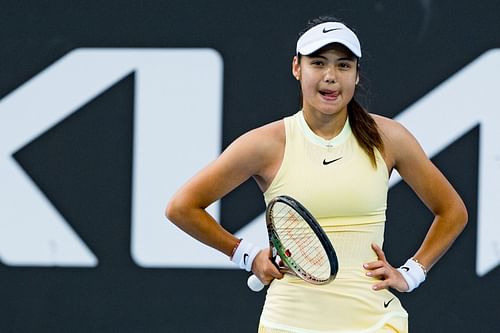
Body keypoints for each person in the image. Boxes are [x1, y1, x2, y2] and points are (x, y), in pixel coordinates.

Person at [166, 16, 468, 333]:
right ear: (297, 68)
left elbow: (452, 211)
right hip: (288, 322)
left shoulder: (390, 138)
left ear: (356, 74)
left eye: (343, 65)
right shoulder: (266, 144)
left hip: (375, 322)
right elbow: (182, 207)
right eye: (318, 63)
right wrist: (247, 254)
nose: (330, 77)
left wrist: (412, 272)